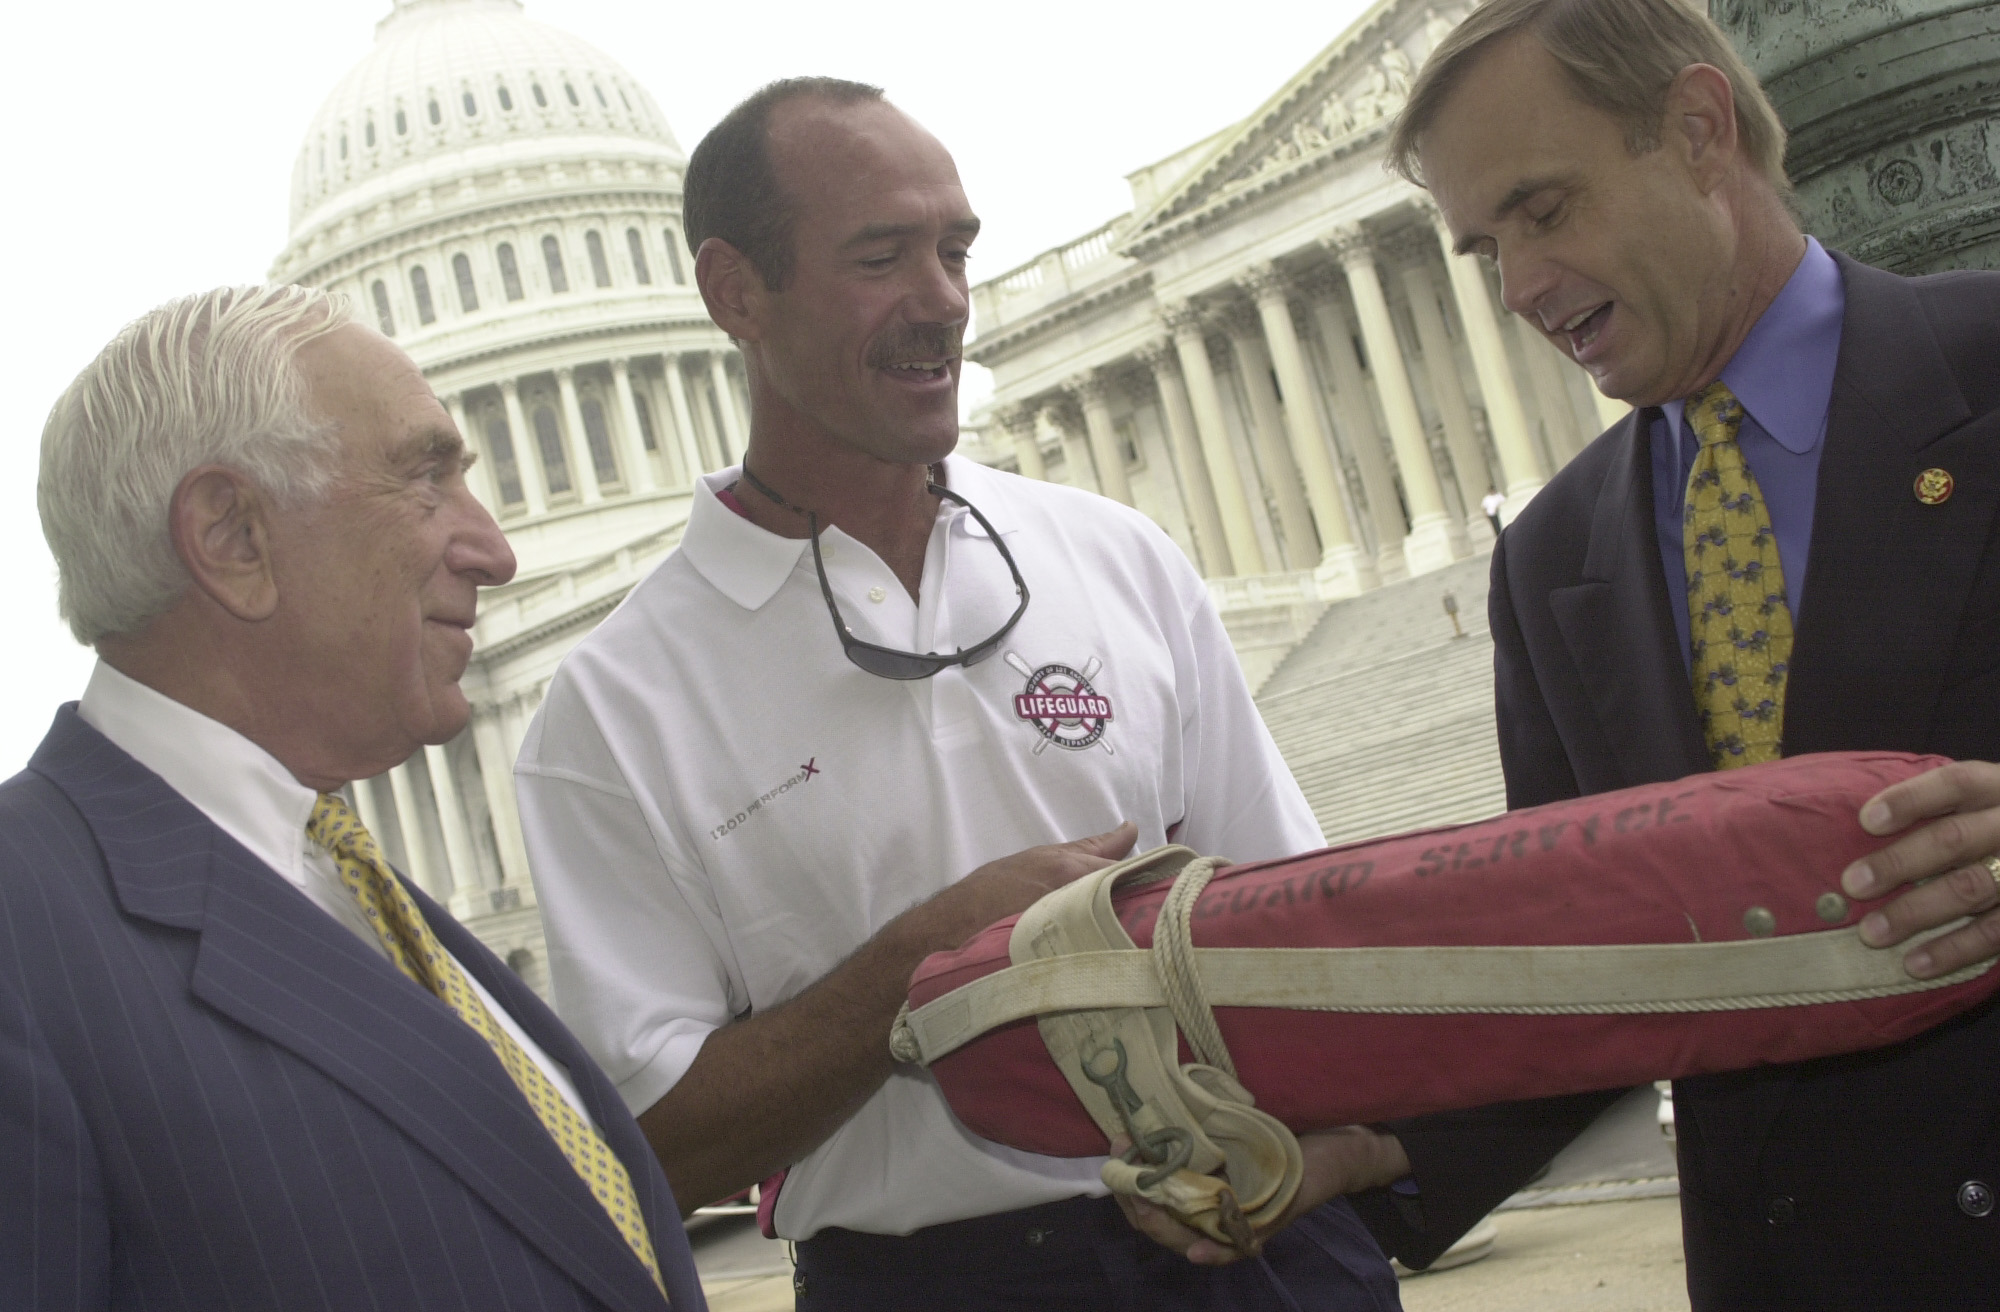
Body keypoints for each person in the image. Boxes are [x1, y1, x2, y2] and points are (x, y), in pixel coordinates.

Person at [514, 79, 1405, 1310]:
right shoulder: (611, 711)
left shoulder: (1115, 555)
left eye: (955, 249)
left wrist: (1328, 1157)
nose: (941, 300)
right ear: (735, 294)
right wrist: (926, 966)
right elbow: (654, 1149)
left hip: (1257, 1251)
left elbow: (1290, 928)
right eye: (881, 257)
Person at [1317, 0, 2000, 1305]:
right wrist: (1375, 1154)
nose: (1517, 288)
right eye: (1483, 247)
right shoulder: (1556, 555)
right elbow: (1588, 968)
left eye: (1545, 210)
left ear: (1698, 131)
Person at [2, 285, 706, 1312]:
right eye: (426, 480)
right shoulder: (27, 935)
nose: (496, 550)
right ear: (233, 536)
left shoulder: (356, 889)